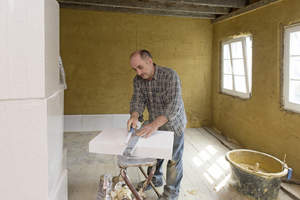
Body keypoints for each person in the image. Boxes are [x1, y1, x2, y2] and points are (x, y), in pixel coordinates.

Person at [127, 50, 187, 200]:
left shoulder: (170, 76)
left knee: (173, 160)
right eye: (135, 69)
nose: (138, 72)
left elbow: (173, 106)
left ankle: (171, 193)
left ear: (149, 61)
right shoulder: (138, 80)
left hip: (174, 124)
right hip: (155, 122)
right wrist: (134, 116)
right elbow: (137, 100)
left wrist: (153, 125)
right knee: (155, 153)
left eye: (140, 67)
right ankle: (155, 178)